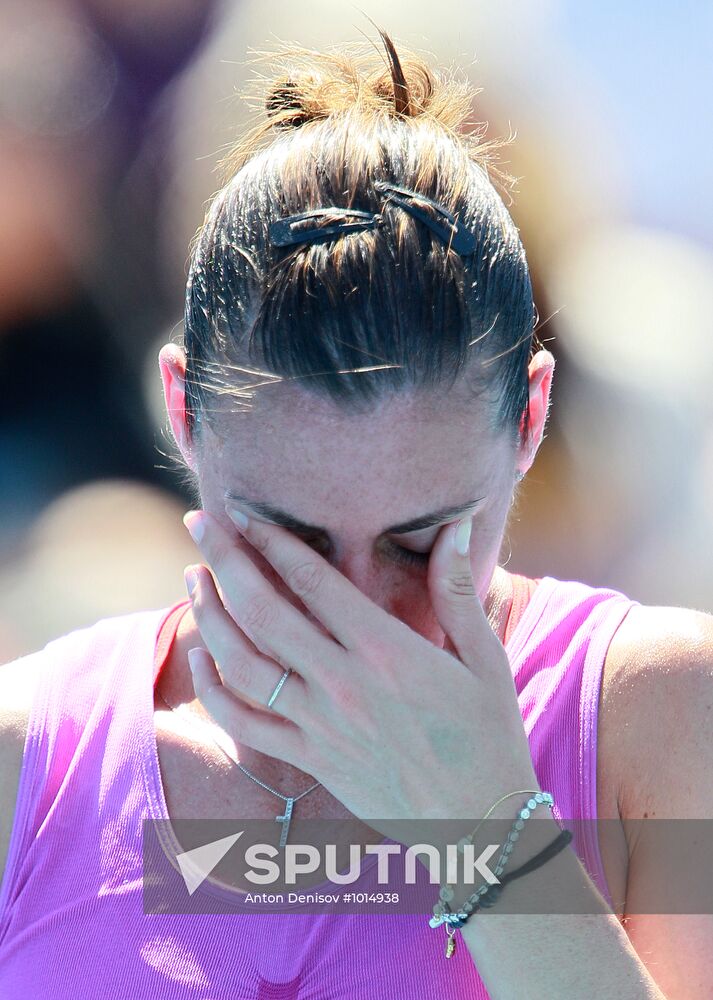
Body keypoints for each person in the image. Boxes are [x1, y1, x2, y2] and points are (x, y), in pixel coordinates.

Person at [1, 32, 712, 999]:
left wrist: (484, 827)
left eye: (421, 542)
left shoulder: (663, 715)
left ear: (530, 418)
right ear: (182, 412)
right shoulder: (21, 763)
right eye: (288, 540)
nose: (357, 610)